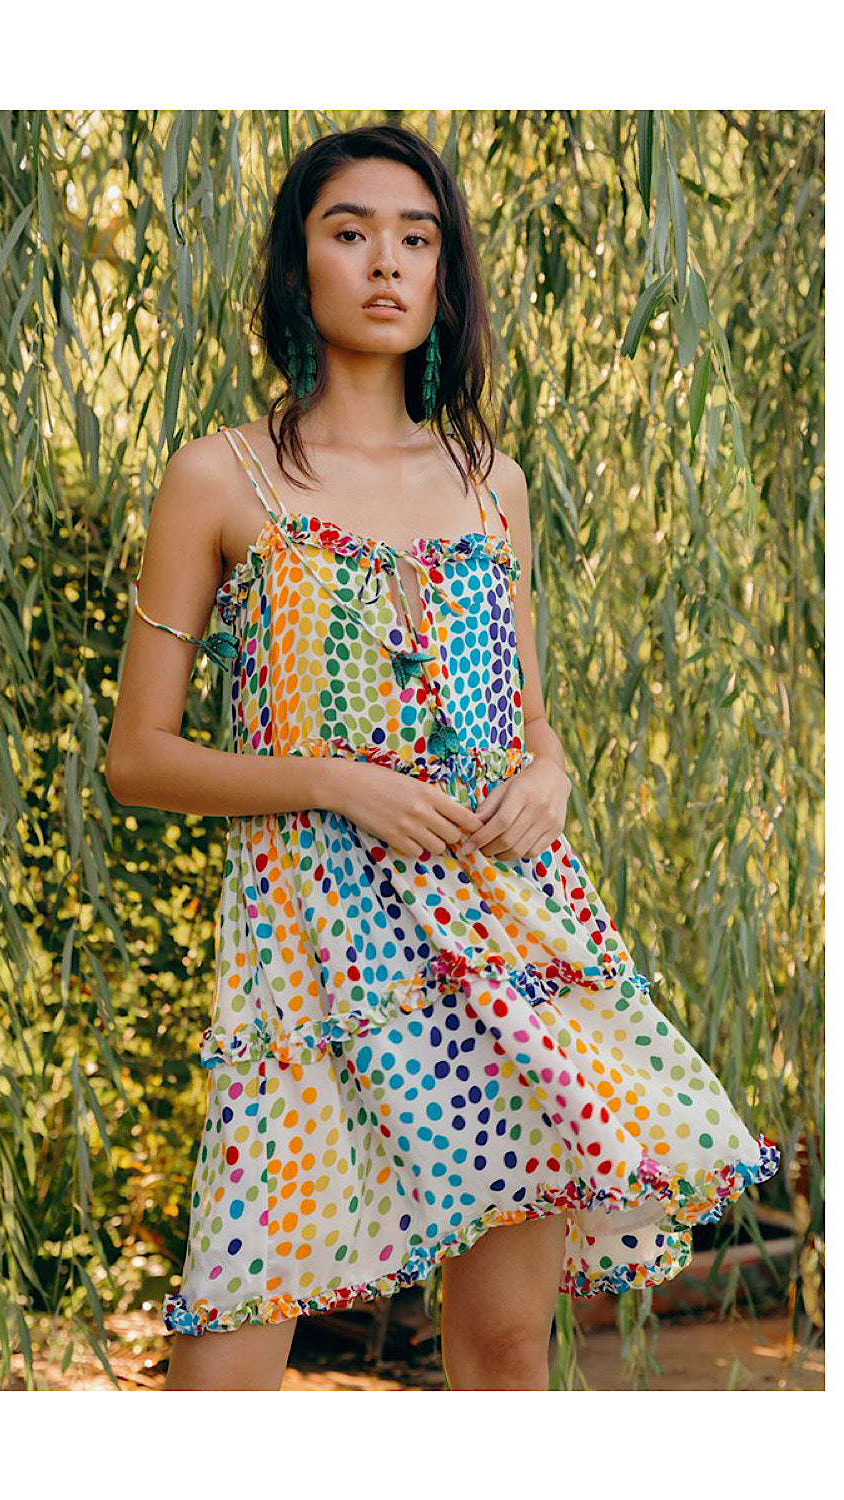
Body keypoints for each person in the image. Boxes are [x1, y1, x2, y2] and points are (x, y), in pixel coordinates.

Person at [105, 123, 779, 1392]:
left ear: (443, 274)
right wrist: (334, 782)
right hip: (314, 945)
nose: (385, 263)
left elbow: (527, 721)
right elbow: (136, 758)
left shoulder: (488, 481)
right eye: (349, 231)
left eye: (415, 239)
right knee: (228, 1355)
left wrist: (551, 777)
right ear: (296, 263)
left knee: (506, 1348)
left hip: (501, 929)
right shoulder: (218, 478)